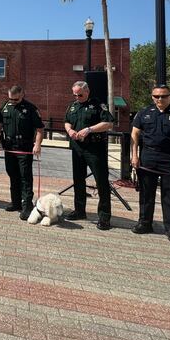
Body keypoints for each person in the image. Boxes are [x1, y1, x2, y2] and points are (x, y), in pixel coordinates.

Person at [130, 85, 170, 244]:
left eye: (164, 96)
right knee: (146, 194)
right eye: (156, 96)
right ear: (152, 97)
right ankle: (145, 223)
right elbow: (135, 134)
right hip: (147, 158)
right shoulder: (144, 113)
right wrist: (134, 156)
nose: (160, 99)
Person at [63, 81, 114, 230]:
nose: (77, 97)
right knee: (78, 180)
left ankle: (104, 217)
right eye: (75, 95)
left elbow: (108, 123)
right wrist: (70, 130)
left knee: (101, 182)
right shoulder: (73, 106)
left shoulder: (98, 105)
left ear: (87, 91)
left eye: (80, 95)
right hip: (78, 148)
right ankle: (79, 211)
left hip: (95, 148)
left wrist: (89, 129)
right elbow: (67, 121)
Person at [0, 85, 44, 220]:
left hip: (24, 148)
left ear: (22, 95)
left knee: (25, 177)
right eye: (10, 99)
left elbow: (39, 128)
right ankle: (16, 202)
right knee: (12, 174)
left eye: (15, 99)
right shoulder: (5, 106)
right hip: (9, 147)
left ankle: (27, 206)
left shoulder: (31, 108)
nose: (13, 102)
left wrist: (37, 144)